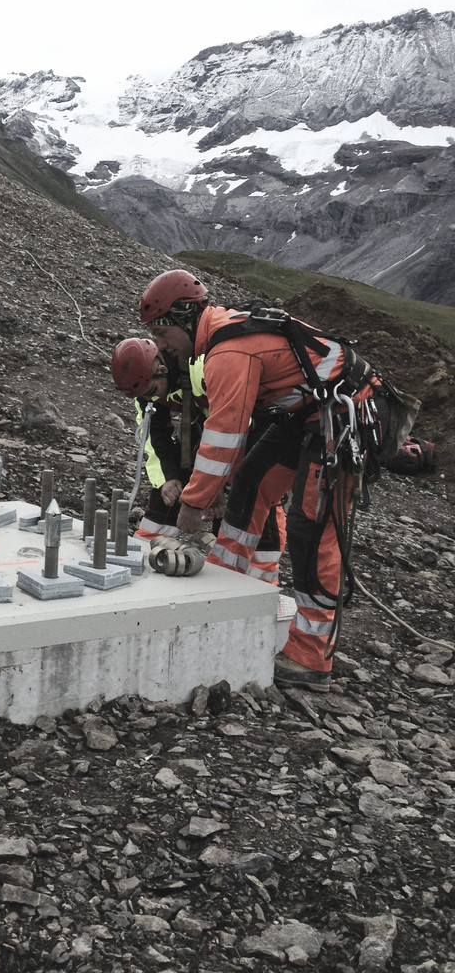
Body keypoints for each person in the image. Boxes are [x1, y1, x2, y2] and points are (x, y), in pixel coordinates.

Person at [138, 269, 381, 693]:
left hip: (342, 416)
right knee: (251, 482)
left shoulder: (229, 352)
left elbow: (224, 434)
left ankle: (311, 654)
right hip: (306, 413)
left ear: (185, 317)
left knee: (311, 527)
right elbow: (234, 443)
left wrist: (193, 505)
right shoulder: (221, 340)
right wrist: (211, 491)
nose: (161, 346)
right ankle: (221, 591)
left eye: (161, 333)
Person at [111, 337, 286, 579]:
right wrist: (168, 479)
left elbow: (233, 430)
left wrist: (213, 487)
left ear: (162, 370)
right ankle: (150, 549)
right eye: (143, 396)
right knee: (173, 485)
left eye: (151, 392)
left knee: (253, 494)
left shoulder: (203, 369)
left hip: (261, 428)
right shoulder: (146, 386)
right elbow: (154, 437)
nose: (150, 399)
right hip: (213, 430)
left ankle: (260, 582)